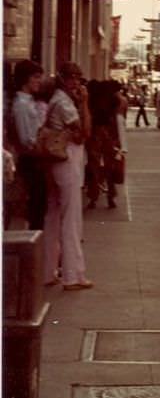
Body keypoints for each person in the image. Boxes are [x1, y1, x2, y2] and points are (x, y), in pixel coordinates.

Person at [42, 61, 93, 290]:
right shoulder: (65, 104)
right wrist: (85, 103)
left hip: (56, 162)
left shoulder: (56, 100)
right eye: (73, 78)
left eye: (78, 78)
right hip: (67, 162)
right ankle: (73, 275)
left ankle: (48, 269)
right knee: (71, 218)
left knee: (53, 215)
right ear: (63, 79)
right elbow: (84, 133)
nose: (76, 83)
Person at [10, 59, 47, 229]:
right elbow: (26, 138)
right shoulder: (22, 105)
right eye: (36, 77)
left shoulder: (29, 102)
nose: (39, 81)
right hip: (30, 159)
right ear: (25, 78)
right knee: (35, 207)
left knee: (38, 206)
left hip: (35, 158)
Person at [86, 80, 120, 209]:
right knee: (110, 167)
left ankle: (93, 197)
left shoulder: (91, 100)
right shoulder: (113, 101)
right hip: (108, 134)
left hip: (94, 134)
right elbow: (115, 119)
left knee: (93, 167)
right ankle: (111, 196)